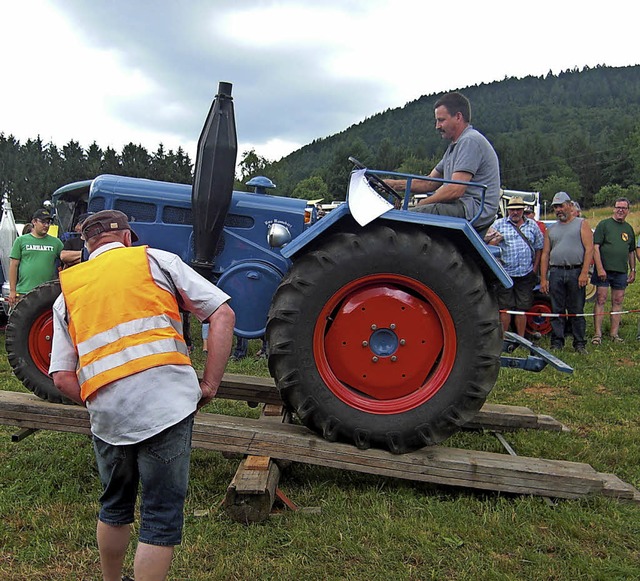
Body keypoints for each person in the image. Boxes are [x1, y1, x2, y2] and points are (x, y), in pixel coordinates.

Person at [49, 210, 235, 581]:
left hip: (109, 416)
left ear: (87, 246)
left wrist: (98, 400)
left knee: (114, 506)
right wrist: (209, 385)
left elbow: (60, 376)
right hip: (168, 405)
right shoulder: (157, 261)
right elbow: (223, 315)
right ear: (127, 238)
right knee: (160, 515)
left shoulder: (68, 292)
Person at [384, 91, 501, 232]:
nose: (437, 126)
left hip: (471, 210)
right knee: (405, 214)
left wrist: (421, 204)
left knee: (404, 219)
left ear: (458, 117)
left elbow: (455, 190)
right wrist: (391, 184)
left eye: (441, 120)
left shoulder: (470, 141)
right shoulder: (454, 147)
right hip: (462, 206)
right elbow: (429, 182)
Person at [540, 191, 594, 354]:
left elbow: (589, 249)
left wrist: (584, 272)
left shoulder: (581, 224)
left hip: (575, 271)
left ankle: (579, 343)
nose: (558, 210)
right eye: (555, 207)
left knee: (576, 309)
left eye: (561, 206)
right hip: (556, 272)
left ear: (570, 206)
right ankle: (557, 341)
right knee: (557, 309)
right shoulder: (551, 229)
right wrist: (543, 278)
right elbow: (545, 254)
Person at [490, 196, 544, 339]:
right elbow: (487, 246)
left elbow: (539, 248)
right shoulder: (498, 225)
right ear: (508, 210)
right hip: (505, 273)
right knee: (505, 308)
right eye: (512, 209)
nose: (515, 212)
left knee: (522, 308)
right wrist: (496, 241)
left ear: (523, 210)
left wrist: (535, 268)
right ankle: (503, 339)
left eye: (518, 209)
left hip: (525, 273)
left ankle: (520, 339)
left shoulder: (532, 225)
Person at [591, 198, 635, 344]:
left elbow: (631, 251)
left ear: (628, 210)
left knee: (618, 300)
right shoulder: (604, 225)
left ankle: (614, 334)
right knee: (601, 299)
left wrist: (633, 269)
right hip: (604, 270)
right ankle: (597, 334)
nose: (621, 210)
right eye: (618, 207)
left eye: (624, 208)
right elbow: (595, 248)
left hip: (621, 271)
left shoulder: (628, 229)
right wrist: (600, 268)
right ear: (613, 209)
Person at [8, 208, 63, 307]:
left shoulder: (56, 242)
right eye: (43, 222)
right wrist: (12, 291)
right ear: (34, 222)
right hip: (24, 292)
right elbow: (13, 265)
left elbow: (65, 260)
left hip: (47, 293)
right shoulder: (21, 241)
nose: (46, 225)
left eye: (48, 222)